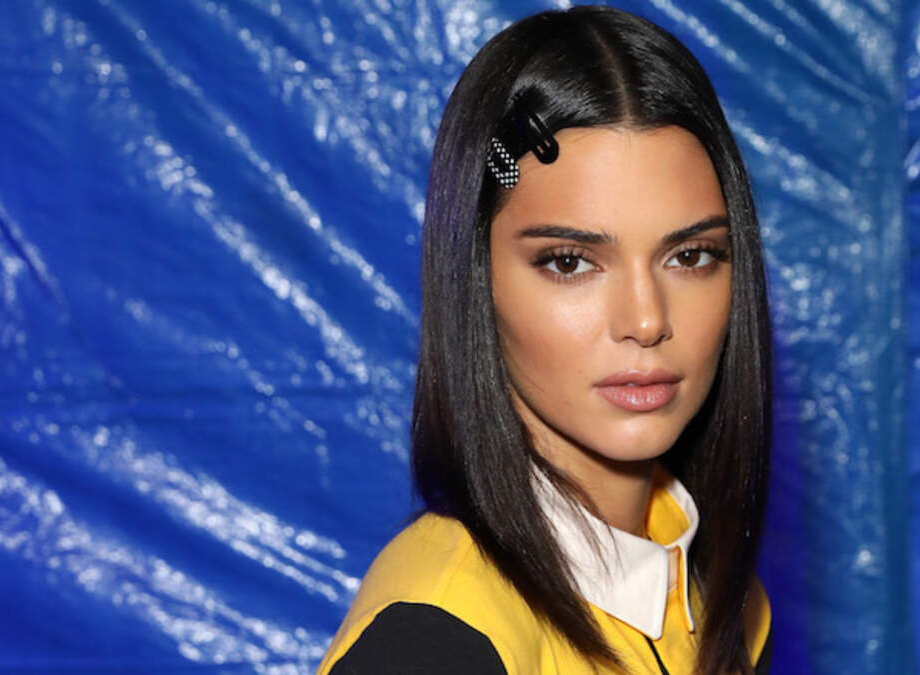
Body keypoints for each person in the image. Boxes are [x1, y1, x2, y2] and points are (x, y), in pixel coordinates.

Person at [318, 6, 773, 674]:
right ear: (476, 279)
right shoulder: (436, 639)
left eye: (690, 256)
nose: (646, 319)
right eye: (569, 261)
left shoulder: (723, 604)